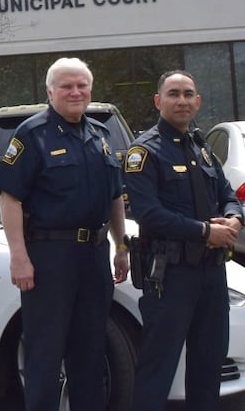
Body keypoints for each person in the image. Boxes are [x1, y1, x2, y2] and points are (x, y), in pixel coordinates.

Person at [0, 57, 129, 411]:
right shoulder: (31, 134)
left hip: (94, 257)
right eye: (66, 86)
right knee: (45, 353)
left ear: (90, 90)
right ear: (50, 91)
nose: (75, 92)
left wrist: (121, 245)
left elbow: (115, 196)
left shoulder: (100, 136)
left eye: (82, 85)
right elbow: (10, 199)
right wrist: (18, 256)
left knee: (90, 349)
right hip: (50, 258)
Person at [125, 70, 242, 411]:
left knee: (209, 364)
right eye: (173, 93)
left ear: (198, 102)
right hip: (170, 277)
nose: (182, 100)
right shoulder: (144, 152)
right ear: (158, 101)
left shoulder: (201, 147)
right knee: (157, 367)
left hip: (211, 273)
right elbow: (148, 214)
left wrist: (234, 218)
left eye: (188, 94)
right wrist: (206, 231)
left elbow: (226, 194)